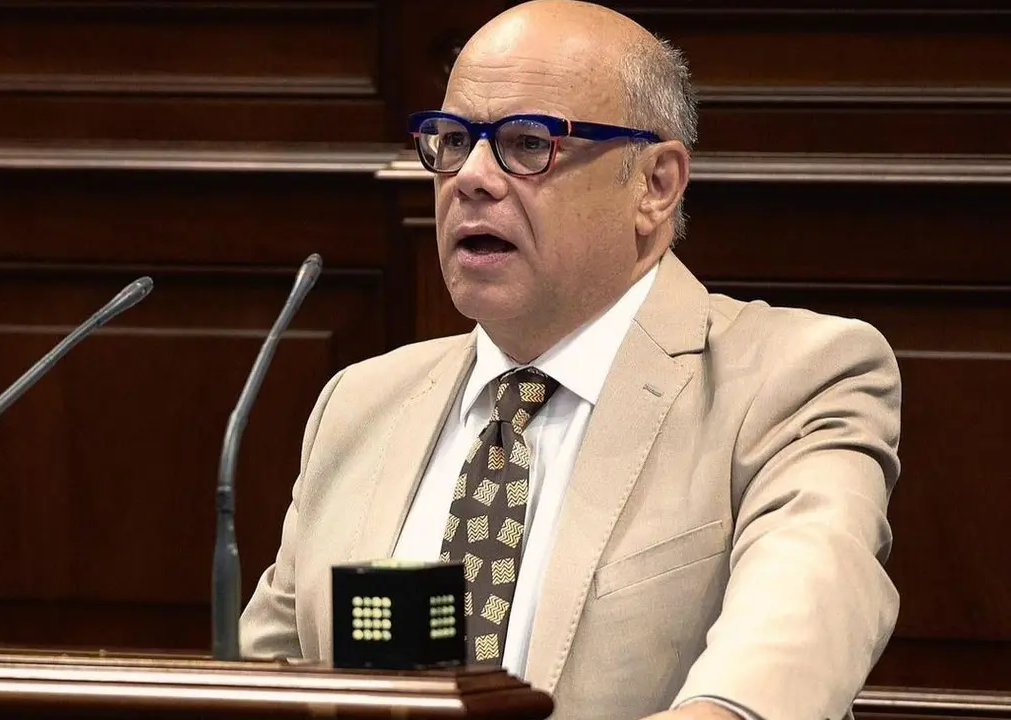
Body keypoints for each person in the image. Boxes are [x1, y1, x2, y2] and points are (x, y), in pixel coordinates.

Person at [239, 1, 902, 718]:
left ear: (656, 185)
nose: (473, 177)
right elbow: (259, 686)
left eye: (528, 143)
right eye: (454, 140)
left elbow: (797, 633)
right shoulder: (360, 404)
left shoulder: (793, 379)